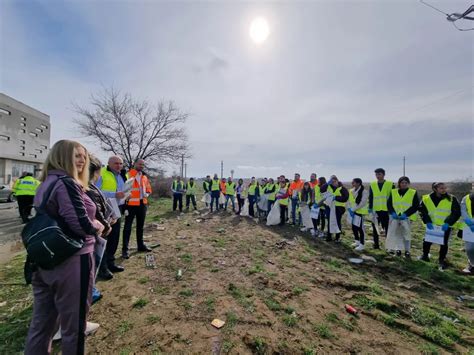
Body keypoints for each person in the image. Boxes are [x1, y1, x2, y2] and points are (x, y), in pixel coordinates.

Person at [25, 140, 105, 355]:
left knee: (42, 324)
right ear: (61, 156)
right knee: (74, 326)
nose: (81, 160)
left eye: (83, 156)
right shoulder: (67, 182)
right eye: (76, 155)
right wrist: (97, 225)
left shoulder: (46, 182)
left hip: (46, 261)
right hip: (72, 260)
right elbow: (79, 224)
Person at [86, 155, 113, 304]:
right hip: (92, 232)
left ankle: (92, 287)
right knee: (91, 262)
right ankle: (91, 290)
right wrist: (106, 224)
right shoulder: (86, 188)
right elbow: (95, 209)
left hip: (100, 225)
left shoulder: (87, 186)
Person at [419, 182, 461, 270]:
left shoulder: (452, 199)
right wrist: (427, 221)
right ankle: (425, 256)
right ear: (435, 189)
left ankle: (441, 260)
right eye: (441, 188)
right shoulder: (426, 198)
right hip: (432, 225)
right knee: (427, 241)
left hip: (444, 226)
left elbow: (456, 213)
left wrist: (448, 223)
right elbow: (422, 211)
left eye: (445, 188)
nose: (444, 190)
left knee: (444, 243)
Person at [97, 156, 126, 279]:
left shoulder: (121, 176)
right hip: (103, 209)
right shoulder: (101, 173)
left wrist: (125, 196)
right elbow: (95, 191)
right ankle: (102, 268)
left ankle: (111, 263)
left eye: (120, 163)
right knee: (104, 237)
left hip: (116, 208)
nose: (118, 165)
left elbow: (122, 192)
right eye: (116, 163)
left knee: (115, 237)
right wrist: (114, 194)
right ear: (109, 163)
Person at [122, 159, 153, 259]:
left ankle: (140, 246)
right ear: (135, 164)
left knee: (140, 226)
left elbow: (149, 189)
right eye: (140, 164)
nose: (141, 166)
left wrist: (147, 194)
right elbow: (123, 188)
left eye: (143, 164)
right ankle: (125, 250)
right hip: (130, 205)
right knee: (127, 227)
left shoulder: (144, 176)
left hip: (142, 204)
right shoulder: (128, 174)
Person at [386, 176, 419, 257]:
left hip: (407, 217)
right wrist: (392, 213)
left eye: (406, 183)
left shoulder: (413, 192)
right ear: (399, 183)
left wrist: (406, 214)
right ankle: (398, 249)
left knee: (406, 234)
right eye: (402, 183)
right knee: (397, 233)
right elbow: (389, 204)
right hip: (395, 217)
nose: (404, 184)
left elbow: (415, 205)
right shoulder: (393, 192)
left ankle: (407, 251)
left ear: (408, 184)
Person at [368, 168, 394, 249]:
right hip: (376, 210)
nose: (377, 176)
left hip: (386, 211)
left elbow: (393, 197)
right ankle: (376, 245)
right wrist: (370, 207)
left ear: (383, 174)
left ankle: (388, 246)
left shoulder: (390, 184)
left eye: (379, 174)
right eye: (376, 174)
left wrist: (392, 210)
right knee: (375, 228)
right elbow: (371, 197)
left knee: (388, 229)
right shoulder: (372, 184)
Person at [320, 175, 349, 242]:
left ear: (337, 180)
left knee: (337, 222)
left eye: (334, 181)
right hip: (329, 207)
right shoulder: (328, 187)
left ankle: (337, 237)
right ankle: (329, 236)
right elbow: (321, 190)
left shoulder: (342, 188)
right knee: (330, 221)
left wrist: (336, 198)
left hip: (338, 208)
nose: (333, 183)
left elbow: (345, 198)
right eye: (331, 181)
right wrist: (327, 183)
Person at [348, 178, 369, 251]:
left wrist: (353, 209)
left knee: (360, 229)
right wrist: (349, 209)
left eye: (353, 182)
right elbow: (349, 200)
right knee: (354, 227)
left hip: (360, 212)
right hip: (353, 212)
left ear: (358, 183)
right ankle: (357, 241)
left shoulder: (364, 192)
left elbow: (362, 203)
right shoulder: (351, 191)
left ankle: (362, 244)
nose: (352, 184)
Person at [458, 193, 474, 274]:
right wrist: (469, 222)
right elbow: (463, 210)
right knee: (470, 249)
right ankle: (472, 264)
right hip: (469, 227)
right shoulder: (466, 198)